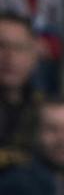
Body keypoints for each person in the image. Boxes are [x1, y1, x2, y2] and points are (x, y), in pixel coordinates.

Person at [0, 12, 44, 177]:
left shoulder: (45, 110)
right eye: (1, 46)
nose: (9, 57)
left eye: (19, 48)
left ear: (33, 56)